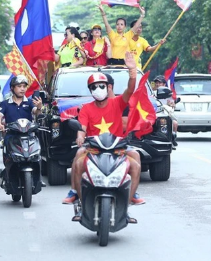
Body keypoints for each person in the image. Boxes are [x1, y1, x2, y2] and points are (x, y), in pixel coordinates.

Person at [63, 52, 145, 218]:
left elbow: (130, 89)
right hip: (93, 148)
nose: (98, 89)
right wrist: (80, 136)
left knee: (135, 159)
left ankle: (129, 202)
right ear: (90, 90)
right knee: (78, 156)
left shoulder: (118, 102)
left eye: (102, 85)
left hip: (117, 148)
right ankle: (76, 194)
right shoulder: (86, 108)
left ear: (108, 87)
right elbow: (82, 127)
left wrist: (132, 72)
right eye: (94, 87)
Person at [0, 75, 42, 172]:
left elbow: (36, 112)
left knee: (37, 155)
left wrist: (39, 107)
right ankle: (8, 172)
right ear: (12, 88)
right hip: (12, 135)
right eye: (19, 86)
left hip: (28, 135)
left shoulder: (30, 102)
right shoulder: (5, 103)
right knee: (8, 154)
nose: (22, 89)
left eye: (24, 86)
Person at [153, 75, 178, 146]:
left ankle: (173, 139)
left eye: (159, 83)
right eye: (156, 83)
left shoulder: (168, 94)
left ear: (164, 84)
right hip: (153, 114)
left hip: (165, 114)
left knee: (175, 124)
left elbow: (172, 104)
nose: (157, 84)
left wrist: (172, 104)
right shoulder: (152, 93)